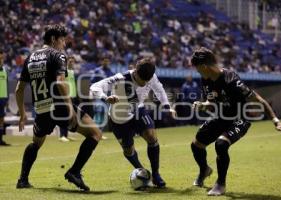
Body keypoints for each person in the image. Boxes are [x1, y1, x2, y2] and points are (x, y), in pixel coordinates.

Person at [190, 47, 281, 196]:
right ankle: (204, 170)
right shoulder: (205, 79)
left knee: (221, 144)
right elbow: (211, 100)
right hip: (221, 117)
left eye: (197, 68)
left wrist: (276, 121)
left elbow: (259, 99)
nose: (197, 71)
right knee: (196, 145)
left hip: (240, 119)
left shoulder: (230, 79)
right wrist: (203, 105)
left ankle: (220, 184)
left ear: (203, 67)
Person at [15, 24, 102, 191]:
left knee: (36, 143)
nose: (64, 44)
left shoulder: (30, 57)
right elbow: (60, 83)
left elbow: (19, 88)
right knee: (95, 134)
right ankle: (74, 172)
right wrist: (69, 107)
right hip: (59, 107)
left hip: (41, 108)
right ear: (54, 39)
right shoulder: (58, 55)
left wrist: (22, 114)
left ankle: (22, 180)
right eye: (63, 40)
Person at [90, 58, 175, 188]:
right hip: (118, 119)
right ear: (135, 72)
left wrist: (167, 106)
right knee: (128, 150)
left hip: (137, 111)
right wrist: (106, 97)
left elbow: (159, 89)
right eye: (142, 80)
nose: (145, 83)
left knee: (152, 137)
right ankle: (143, 172)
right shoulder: (120, 78)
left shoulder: (150, 76)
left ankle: (156, 174)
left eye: (147, 81)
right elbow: (94, 86)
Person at [58, 55, 78, 142]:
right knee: (64, 115)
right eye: (70, 61)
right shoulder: (64, 71)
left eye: (73, 61)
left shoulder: (73, 72)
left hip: (72, 96)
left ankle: (66, 135)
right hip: (66, 96)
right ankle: (62, 135)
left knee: (69, 116)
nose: (71, 62)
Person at [0, 49, 10, 146]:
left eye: (2, 58)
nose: (1, 60)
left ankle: (1, 140)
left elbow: (6, 84)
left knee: (2, 120)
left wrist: (7, 98)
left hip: (3, 98)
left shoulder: (5, 70)